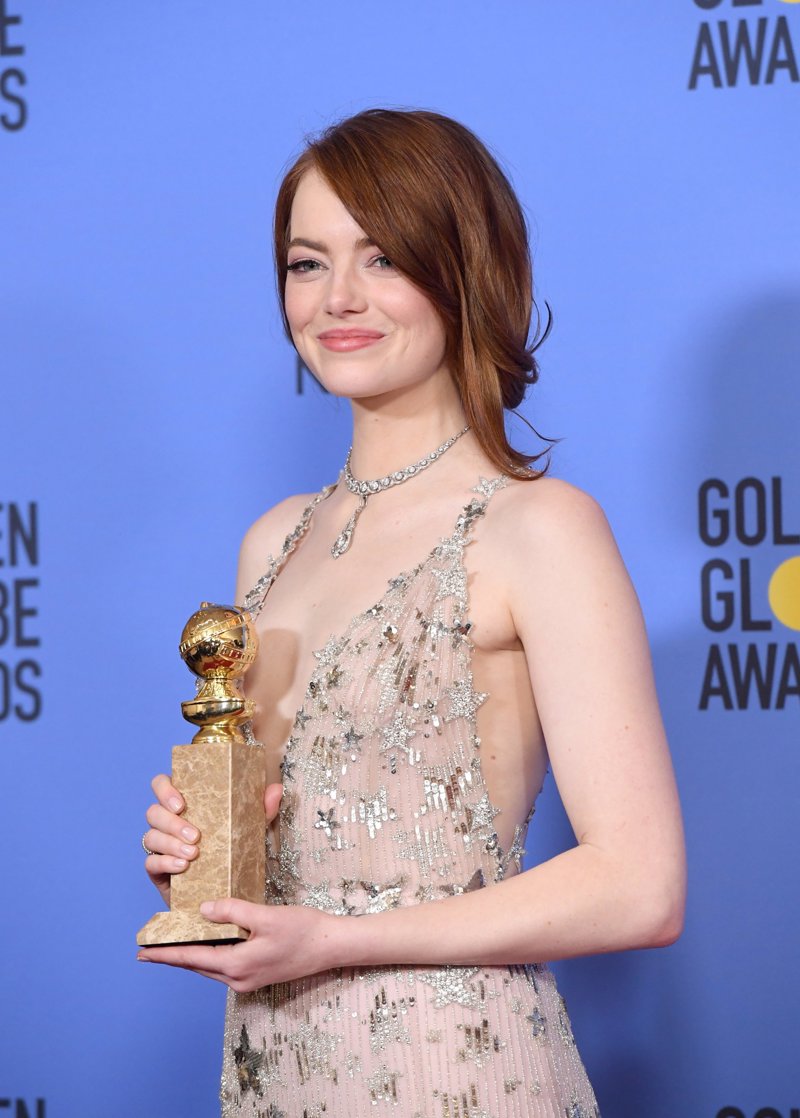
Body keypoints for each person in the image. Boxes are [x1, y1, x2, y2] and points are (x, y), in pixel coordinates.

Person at [138, 108, 686, 1117]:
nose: (337, 297)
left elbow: (638, 886)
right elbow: (288, 857)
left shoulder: (536, 528)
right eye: (307, 263)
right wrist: (200, 853)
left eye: (382, 257)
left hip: (457, 1069)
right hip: (276, 1072)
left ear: (462, 270)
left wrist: (336, 941)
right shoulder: (273, 541)